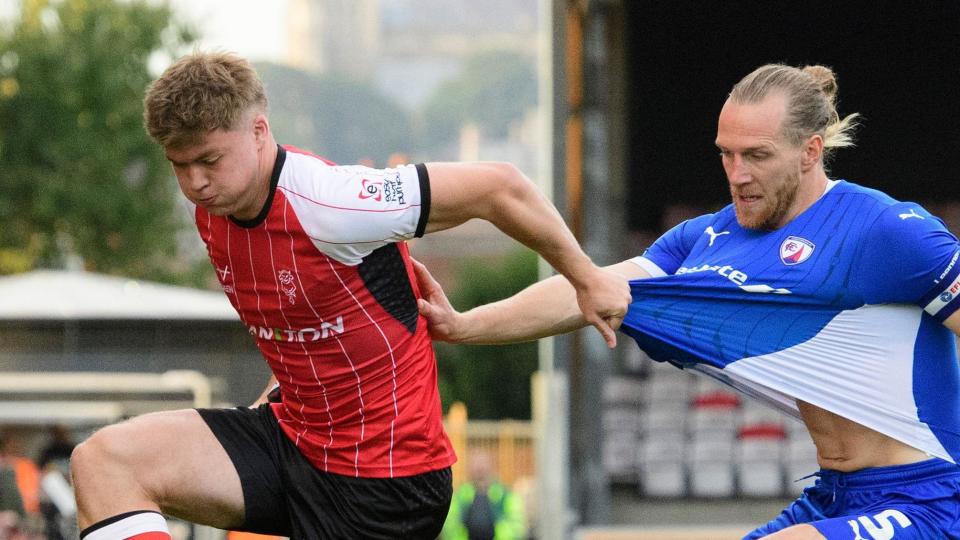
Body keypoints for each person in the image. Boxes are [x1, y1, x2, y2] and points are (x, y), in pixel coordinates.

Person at [67, 51, 629, 540]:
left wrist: (587, 278)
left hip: (388, 487)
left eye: (208, 160)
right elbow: (304, 321)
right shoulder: (212, 212)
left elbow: (500, 185)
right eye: (178, 165)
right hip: (296, 444)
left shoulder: (333, 203)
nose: (194, 183)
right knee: (103, 463)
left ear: (259, 132)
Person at [414, 64, 960, 539]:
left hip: (928, 497)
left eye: (757, 156)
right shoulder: (708, 237)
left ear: (810, 152)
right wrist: (463, 325)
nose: (737, 175)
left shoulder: (887, 230)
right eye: (727, 154)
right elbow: (591, 289)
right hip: (836, 495)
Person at [441, 451, 525, 540]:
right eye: (477, 466)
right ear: (470, 469)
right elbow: (449, 527)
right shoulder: (460, 496)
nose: (480, 469)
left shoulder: (506, 496)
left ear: (491, 467)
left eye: (483, 465)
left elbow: (517, 528)